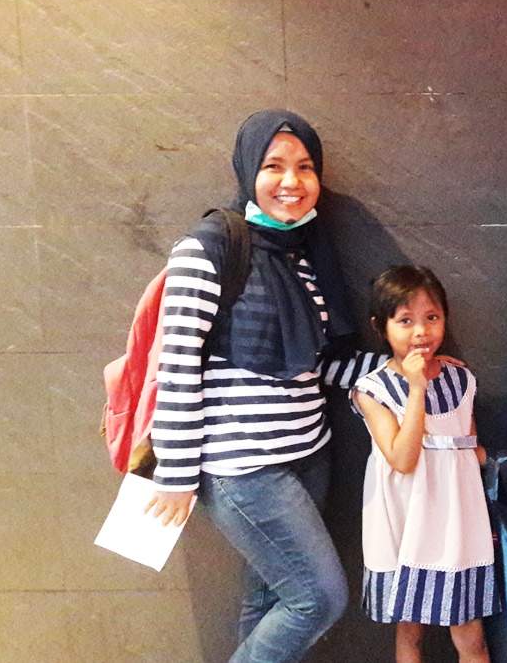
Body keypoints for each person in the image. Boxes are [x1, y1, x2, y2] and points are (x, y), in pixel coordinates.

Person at [144, 109, 384, 663]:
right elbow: (179, 364)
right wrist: (176, 473)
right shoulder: (209, 247)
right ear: (248, 168)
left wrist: (399, 373)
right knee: (318, 599)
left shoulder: (306, 253)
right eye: (274, 166)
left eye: (305, 167)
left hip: (308, 455)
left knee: (269, 597)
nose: (291, 181)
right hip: (244, 469)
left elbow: (315, 363)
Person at [351, 266, 498, 663]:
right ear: (381, 327)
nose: (421, 331)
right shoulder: (372, 390)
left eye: (431, 317)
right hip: (405, 523)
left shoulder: (460, 379)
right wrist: (417, 388)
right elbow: (402, 458)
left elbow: (467, 448)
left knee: (472, 638)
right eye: (405, 321)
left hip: (455, 526)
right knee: (410, 631)